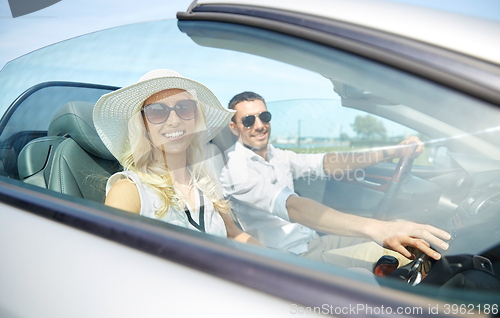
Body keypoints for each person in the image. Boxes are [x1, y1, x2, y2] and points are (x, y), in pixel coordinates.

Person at [219, 91, 451, 270]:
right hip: (294, 259)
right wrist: (380, 229)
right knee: (405, 252)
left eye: (264, 116)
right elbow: (292, 205)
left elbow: (328, 162)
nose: (259, 125)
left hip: (315, 242)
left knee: (412, 236)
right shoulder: (236, 170)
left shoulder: (277, 154)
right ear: (234, 126)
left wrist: (391, 152)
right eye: (248, 120)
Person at [93, 69, 260, 245]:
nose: (174, 121)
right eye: (157, 111)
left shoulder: (205, 182)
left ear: (195, 119)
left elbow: (233, 233)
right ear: (143, 125)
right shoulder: (129, 190)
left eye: (185, 108)